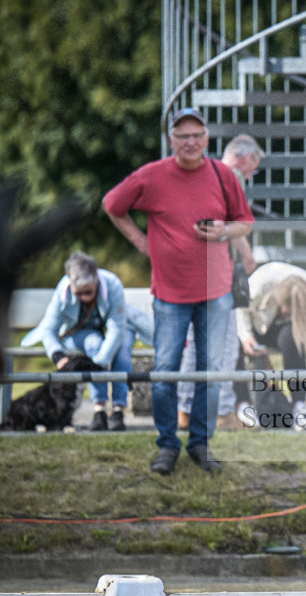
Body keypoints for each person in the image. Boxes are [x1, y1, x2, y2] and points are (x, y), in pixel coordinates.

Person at [103, 106, 254, 475]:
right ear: (171, 139)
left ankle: (200, 444)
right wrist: (139, 240)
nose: (190, 142)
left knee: (210, 372)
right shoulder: (152, 176)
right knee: (166, 372)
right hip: (170, 295)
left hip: (216, 292)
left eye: (196, 135)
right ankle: (167, 445)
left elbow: (245, 222)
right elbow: (112, 204)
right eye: (182, 135)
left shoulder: (222, 175)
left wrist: (223, 231)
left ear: (207, 139)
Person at [177, 133, 264, 430]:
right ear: (247, 157)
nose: (252, 174)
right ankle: (224, 411)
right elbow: (233, 225)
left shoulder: (204, 173)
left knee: (195, 344)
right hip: (215, 272)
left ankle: (186, 410)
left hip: (191, 271)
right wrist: (249, 257)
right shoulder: (232, 176)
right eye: (255, 166)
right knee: (226, 345)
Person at [20, 251, 146, 431]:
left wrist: (99, 363)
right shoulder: (62, 289)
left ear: (96, 279)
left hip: (116, 327)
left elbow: (117, 328)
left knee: (122, 350)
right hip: (80, 334)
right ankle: (99, 410)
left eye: (89, 292)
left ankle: (118, 410)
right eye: (79, 293)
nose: (84, 297)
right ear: (70, 284)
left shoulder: (112, 284)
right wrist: (57, 355)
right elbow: (49, 329)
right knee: (94, 344)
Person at [235, 261, 306, 418]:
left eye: (290, 311)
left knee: (293, 340)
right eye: (285, 308)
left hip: (286, 330)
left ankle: (299, 403)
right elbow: (241, 309)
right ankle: (243, 404)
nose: (285, 312)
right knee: (234, 342)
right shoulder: (261, 282)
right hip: (256, 321)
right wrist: (247, 338)